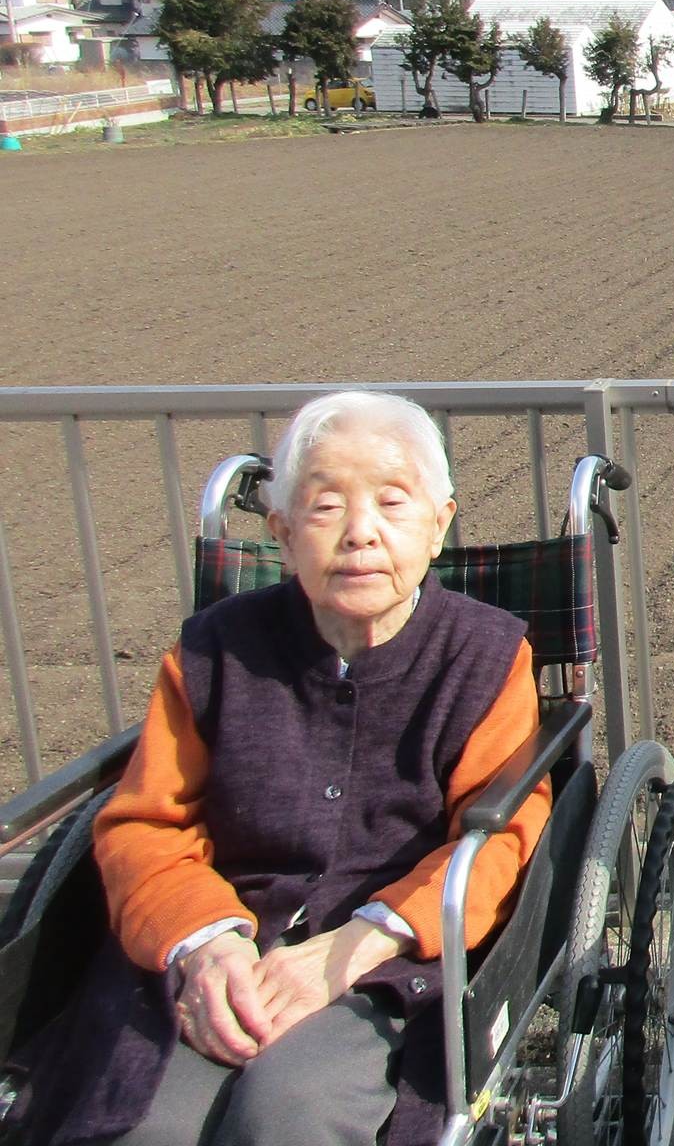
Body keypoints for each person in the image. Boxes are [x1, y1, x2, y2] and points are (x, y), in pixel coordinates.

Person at [24, 390, 551, 1146]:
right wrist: (207, 943)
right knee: (144, 1126)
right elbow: (145, 823)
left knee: (289, 1113)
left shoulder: (486, 655)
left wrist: (357, 943)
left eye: (392, 503)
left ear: (439, 526)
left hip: (391, 962)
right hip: (220, 949)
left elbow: (498, 840)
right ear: (282, 532)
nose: (360, 532)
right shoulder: (212, 652)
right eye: (327, 507)